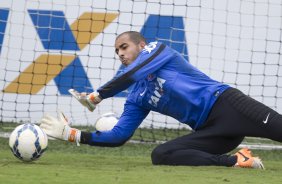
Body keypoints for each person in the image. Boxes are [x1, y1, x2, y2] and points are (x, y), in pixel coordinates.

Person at [40, 31, 282, 169]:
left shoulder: (159, 51)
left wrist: (96, 96)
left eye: (124, 47)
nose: (121, 53)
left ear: (142, 45)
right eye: (117, 51)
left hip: (230, 105)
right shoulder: (135, 95)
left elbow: (134, 72)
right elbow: (119, 136)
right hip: (211, 132)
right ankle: (237, 160)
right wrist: (73, 135)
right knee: (161, 155)